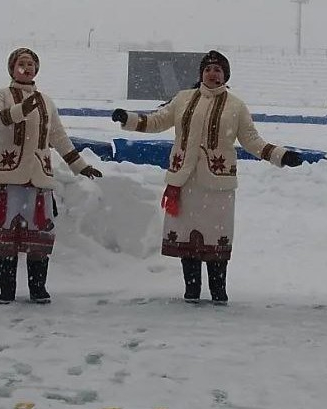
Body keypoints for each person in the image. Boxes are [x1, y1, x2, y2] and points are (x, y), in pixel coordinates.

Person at [112, 50, 303, 305]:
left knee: (215, 242)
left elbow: (251, 140)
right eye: (208, 69)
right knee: (187, 242)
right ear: (201, 74)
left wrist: (281, 155)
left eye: (218, 70)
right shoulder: (183, 98)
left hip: (217, 186)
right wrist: (129, 118)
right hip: (184, 181)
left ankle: (218, 293)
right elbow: (158, 120)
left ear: (225, 76)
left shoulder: (236, 106)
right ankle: (191, 292)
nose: (212, 74)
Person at [0, 48, 102, 304]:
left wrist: (80, 166)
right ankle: (7, 290)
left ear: (37, 69)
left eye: (31, 64)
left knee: (39, 237)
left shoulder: (46, 101)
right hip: (6, 178)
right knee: (6, 237)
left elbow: (58, 136)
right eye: (21, 63)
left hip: (39, 178)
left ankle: (37, 288)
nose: (26, 68)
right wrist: (19, 111)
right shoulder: (2, 94)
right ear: (11, 69)